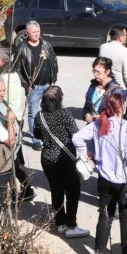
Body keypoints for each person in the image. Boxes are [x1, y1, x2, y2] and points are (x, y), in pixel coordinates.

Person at [72, 93, 127, 254]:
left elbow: (77, 138)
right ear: (121, 108)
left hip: (104, 179)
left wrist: (85, 154)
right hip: (125, 181)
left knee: (105, 216)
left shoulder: (99, 124)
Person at [33, 86, 87, 238]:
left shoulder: (40, 116)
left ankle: (60, 223)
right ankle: (71, 225)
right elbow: (76, 134)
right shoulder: (64, 114)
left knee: (56, 190)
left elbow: (36, 133)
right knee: (73, 191)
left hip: (47, 158)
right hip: (65, 157)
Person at [0, 75, 34, 200]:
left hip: (12, 144)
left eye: (4, 90)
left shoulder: (1, 102)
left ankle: (23, 190)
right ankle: (21, 191)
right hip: (5, 146)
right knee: (13, 168)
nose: (3, 94)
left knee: (14, 167)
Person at [13, 21, 58, 149]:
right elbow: (17, 69)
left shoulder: (46, 45)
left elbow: (54, 61)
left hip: (48, 84)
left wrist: (54, 78)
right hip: (34, 87)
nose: (37, 34)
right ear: (27, 33)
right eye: (34, 32)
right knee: (33, 112)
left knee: (50, 111)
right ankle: (36, 138)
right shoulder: (22, 48)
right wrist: (26, 84)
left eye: (38, 31)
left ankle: (49, 136)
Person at [82, 57, 127, 124]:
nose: (95, 74)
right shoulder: (93, 86)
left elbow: (119, 115)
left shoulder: (117, 91)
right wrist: (86, 115)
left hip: (108, 129)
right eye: (94, 71)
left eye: (98, 72)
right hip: (92, 127)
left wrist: (102, 117)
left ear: (107, 72)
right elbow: (86, 108)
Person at [99, 25, 127, 94]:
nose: (126, 37)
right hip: (119, 88)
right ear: (120, 38)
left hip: (105, 85)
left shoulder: (103, 47)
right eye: (125, 35)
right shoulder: (125, 51)